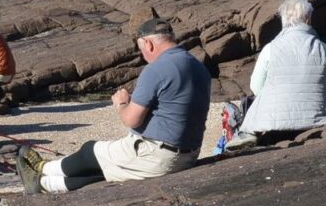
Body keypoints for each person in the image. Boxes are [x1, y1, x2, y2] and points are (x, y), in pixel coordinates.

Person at [20, 17, 209, 194]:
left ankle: (42, 168)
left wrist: (121, 104)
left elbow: (131, 120)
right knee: (103, 170)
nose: (143, 56)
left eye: (141, 50)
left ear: (148, 44)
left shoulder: (156, 69)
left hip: (157, 156)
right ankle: (44, 184)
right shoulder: (198, 66)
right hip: (188, 155)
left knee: (91, 151)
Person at [229, 0, 326, 148]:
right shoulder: (322, 48)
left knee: (248, 105)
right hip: (319, 118)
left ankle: (247, 134)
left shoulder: (271, 48)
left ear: (283, 20)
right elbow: (325, 82)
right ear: (308, 19)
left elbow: (255, 86)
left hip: (272, 122)